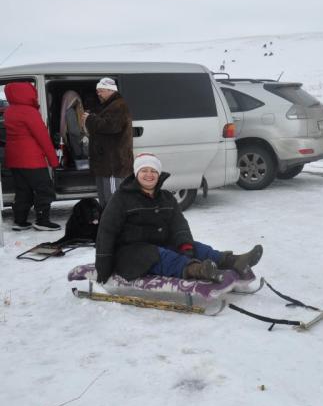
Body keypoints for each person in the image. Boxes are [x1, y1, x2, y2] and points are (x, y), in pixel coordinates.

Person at [94, 153, 263, 284]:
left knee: (198, 248)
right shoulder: (121, 198)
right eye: (144, 171)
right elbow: (106, 232)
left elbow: (179, 225)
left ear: (158, 175)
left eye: (153, 171)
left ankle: (235, 261)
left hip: (160, 244)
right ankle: (199, 270)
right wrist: (103, 268)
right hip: (130, 253)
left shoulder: (166, 198)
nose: (149, 175)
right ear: (137, 174)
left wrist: (186, 246)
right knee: (161, 256)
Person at [3, 82, 61, 231]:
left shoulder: (9, 111)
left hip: (15, 159)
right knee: (44, 189)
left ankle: (20, 220)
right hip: (32, 159)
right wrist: (53, 160)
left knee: (23, 190)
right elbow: (43, 137)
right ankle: (42, 220)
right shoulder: (29, 112)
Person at [81, 77, 133, 208]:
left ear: (111, 90)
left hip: (113, 164)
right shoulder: (108, 105)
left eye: (101, 90)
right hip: (104, 163)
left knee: (113, 200)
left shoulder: (119, 105)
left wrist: (90, 119)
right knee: (105, 200)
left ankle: (117, 225)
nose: (98, 93)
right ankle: (108, 225)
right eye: (97, 91)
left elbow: (111, 127)